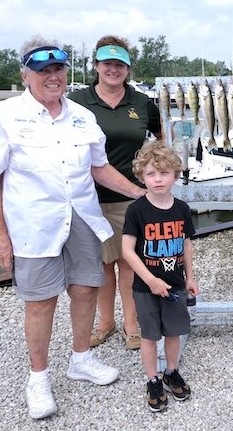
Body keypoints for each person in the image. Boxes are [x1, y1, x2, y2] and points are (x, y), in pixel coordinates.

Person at [0, 37, 147, 420]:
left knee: (86, 289)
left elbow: (99, 168)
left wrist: (141, 194)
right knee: (40, 301)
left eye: (58, 69)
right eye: (43, 71)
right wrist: (0, 236)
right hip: (34, 225)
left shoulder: (83, 117)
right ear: (26, 75)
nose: (53, 77)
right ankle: (38, 378)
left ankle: (81, 358)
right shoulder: (5, 115)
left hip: (83, 218)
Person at [69, 36, 162, 351]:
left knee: (129, 262)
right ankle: (105, 321)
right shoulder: (77, 102)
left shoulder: (142, 103)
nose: (113, 69)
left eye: (119, 64)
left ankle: (131, 323)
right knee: (101, 266)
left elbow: (163, 139)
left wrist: (157, 177)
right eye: (107, 63)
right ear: (96, 66)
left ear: (128, 68)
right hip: (88, 198)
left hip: (130, 197)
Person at [121, 141, 199, 412]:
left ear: (176, 176)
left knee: (174, 331)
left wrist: (190, 277)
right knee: (149, 335)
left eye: (164, 173)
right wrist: (150, 280)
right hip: (145, 287)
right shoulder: (137, 210)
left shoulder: (181, 209)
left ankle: (171, 371)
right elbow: (127, 250)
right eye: (151, 174)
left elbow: (186, 243)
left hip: (175, 284)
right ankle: (152, 378)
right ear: (141, 176)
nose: (157, 179)